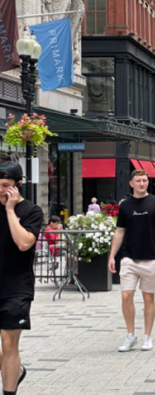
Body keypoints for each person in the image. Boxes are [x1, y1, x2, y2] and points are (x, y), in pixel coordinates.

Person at [108, 170, 155, 352]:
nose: (142, 183)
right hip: (129, 256)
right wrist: (112, 256)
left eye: (145, 180)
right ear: (131, 183)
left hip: (151, 257)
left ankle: (147, 336)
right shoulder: (125, 205)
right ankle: (130, 335)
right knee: (126, 295)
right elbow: (120, 231)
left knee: (148, 297)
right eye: (139, 181)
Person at [0, 161, 44, 395]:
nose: (0, 190)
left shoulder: (31, 211)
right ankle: (15, 371)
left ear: (17, 186)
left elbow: (24, 242)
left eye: (5, 185)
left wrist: (9, 210)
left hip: (17, 287)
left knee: (9, 344)